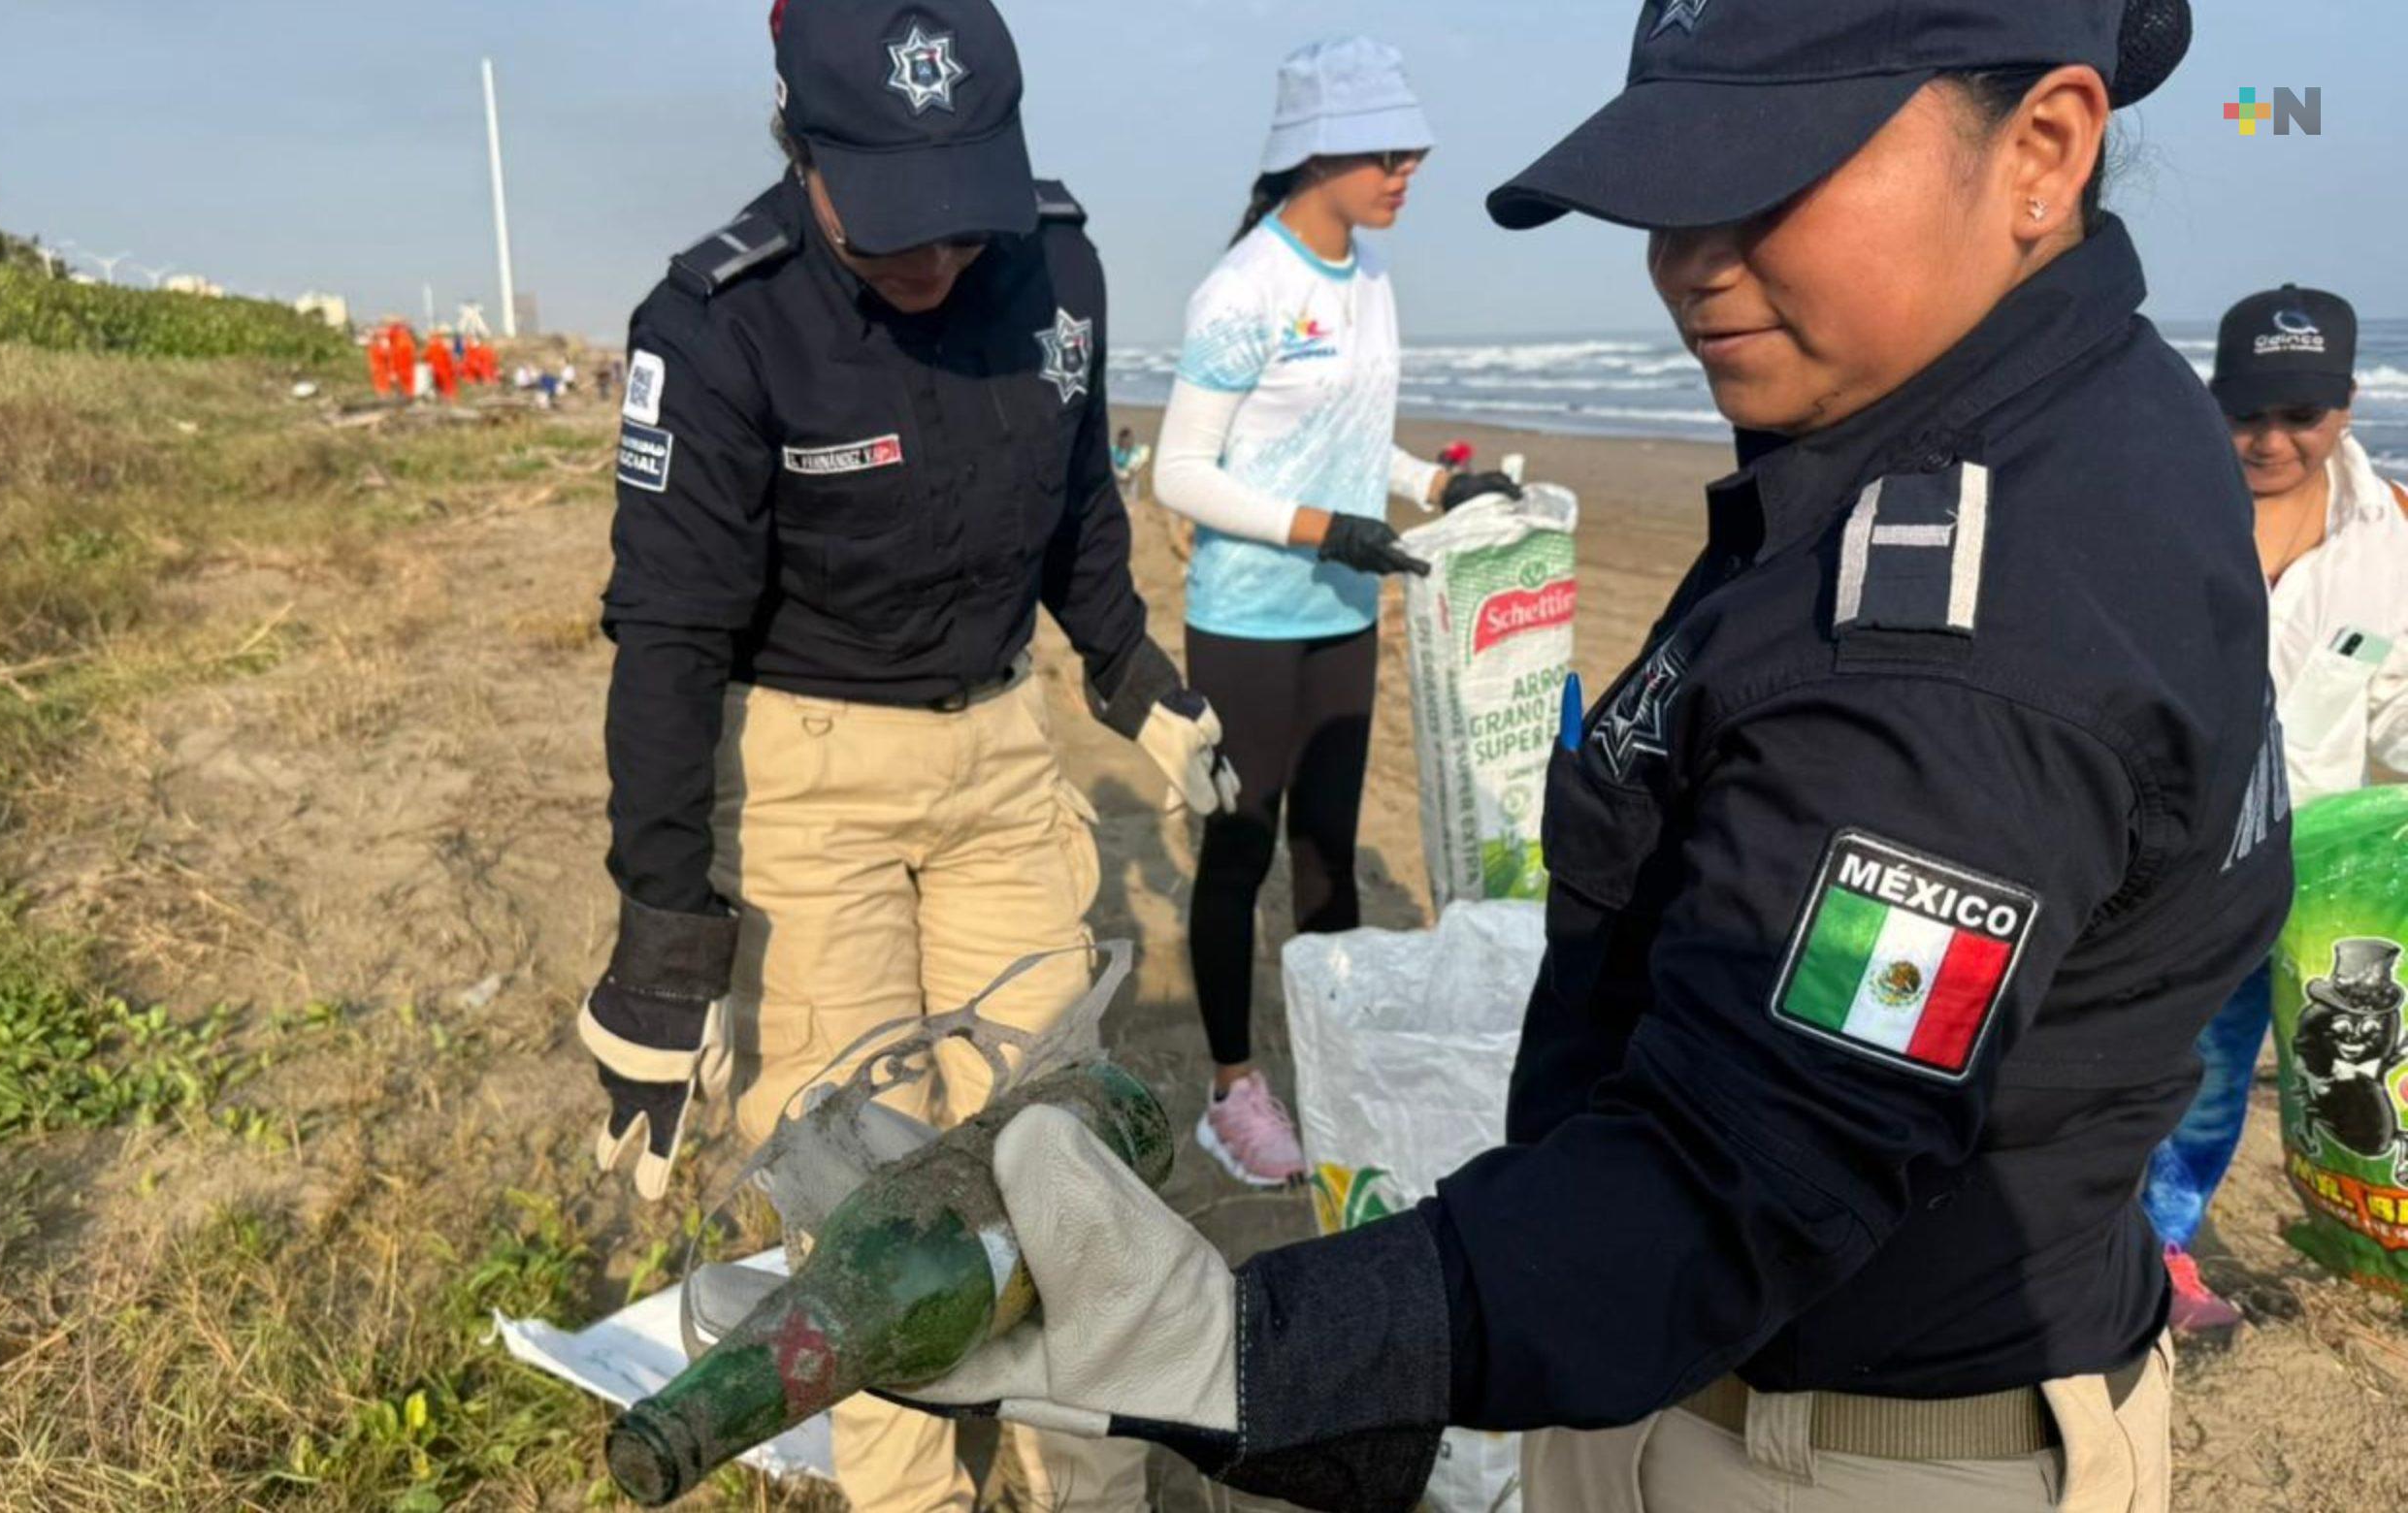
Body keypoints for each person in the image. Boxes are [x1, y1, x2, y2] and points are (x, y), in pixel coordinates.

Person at [901, 3, 2282, 1509]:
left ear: (2043, 150)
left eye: (1765, 180)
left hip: (1823, 1452)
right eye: (1665, 197)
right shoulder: (2085, 417)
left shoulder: (1956, 646)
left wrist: (1239, 1350)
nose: (1693, 260)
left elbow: (1735, 1172)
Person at [581, 0, 1231, 1508]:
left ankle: (1093, 1485)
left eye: (964, 218)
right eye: (894, 229)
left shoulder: (1055, 263)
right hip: (813, 787)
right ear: (798, 148)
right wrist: (665, 943)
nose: (938, 263)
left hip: (1004, 761)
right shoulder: (718, 325)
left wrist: (1132, 674)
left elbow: (1079, 498)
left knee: (1062, 1174)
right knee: (868, 1216)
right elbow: (667, 640)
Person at [1151, 36, 1517, 1186]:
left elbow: (1354, 438)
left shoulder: (1367, 276)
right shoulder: (1242, 289)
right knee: (1240, 848)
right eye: (1383, 149)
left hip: (1346, 616)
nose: (1407, 167)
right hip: (1249, 619)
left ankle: (1335, 1060)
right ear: (1313, 154)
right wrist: (1322, 528)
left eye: (1413, 148)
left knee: (1328, 857)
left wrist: (1432, 485)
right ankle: (1231, 1092)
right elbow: (1180, 475)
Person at [2141, 282, 2408, 1340]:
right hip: (2159, 864)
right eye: (2246, 410)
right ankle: (2099, 1251)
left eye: (2299, 415)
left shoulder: (2390, 535)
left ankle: (2160, 1248)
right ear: (2214, 400)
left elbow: (2390, 701)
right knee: (2144, 1067)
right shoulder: (2153, 510)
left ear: (2345, 403)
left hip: (2305, 875)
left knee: (2238, 1088)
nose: (2270, 439)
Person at [424, 329, 459, 402]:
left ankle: (447, 398)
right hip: (440, 370)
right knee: (445, 385)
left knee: (444, 385)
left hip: (441, 370)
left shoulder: (436, 346)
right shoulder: (440, 346)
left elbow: (427, 357)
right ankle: (447, 398)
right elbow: (428, 358)